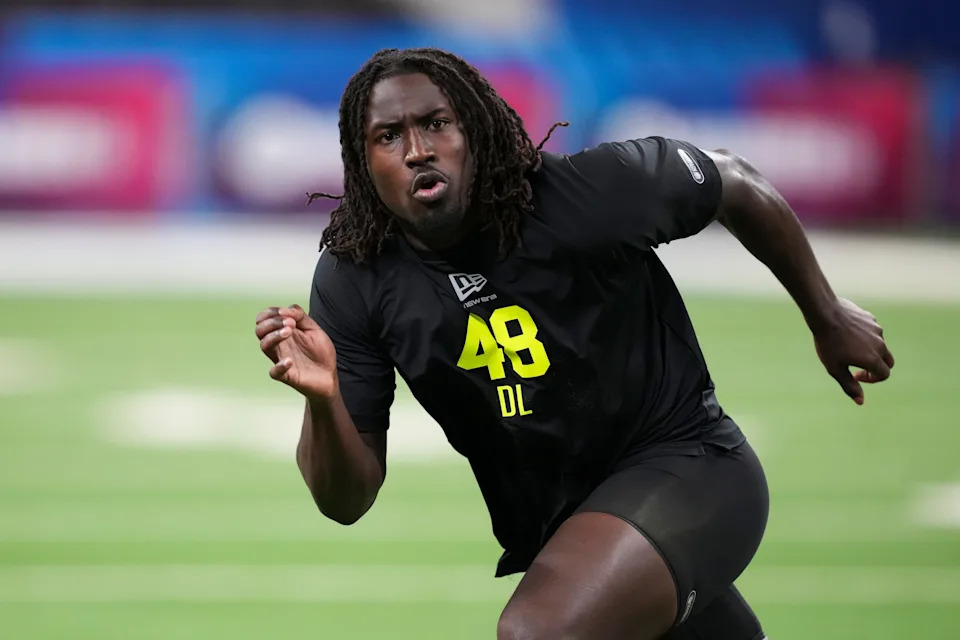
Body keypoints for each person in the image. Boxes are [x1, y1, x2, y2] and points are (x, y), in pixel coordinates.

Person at [254, 47, 894, 640]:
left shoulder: (589, 192)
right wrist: (325, 402)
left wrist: (826, 314)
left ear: (474, 131)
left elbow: (736, 182)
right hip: (571, 527)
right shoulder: (356, 277)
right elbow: (346, 503)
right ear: (363, 161)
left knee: (537, 631)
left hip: (690, 471)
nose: (418, 150)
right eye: (388, 136)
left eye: (436, 124)